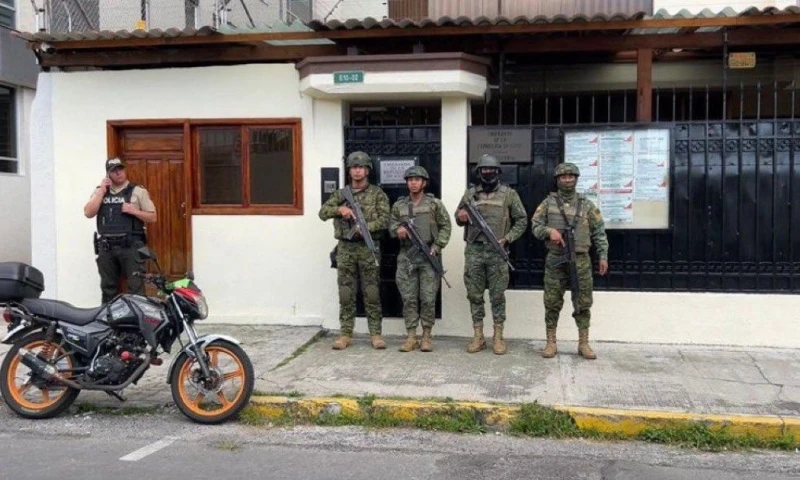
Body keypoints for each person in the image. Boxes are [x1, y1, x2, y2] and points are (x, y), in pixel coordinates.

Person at [530, 162, 609, 360]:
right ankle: (550, 342)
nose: (567, 180)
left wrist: (603, 256)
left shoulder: (587, 204)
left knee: (583, 302)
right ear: (557, 180)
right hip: (556, 259)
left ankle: (583, 343)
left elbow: (599, 231)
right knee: (552, 301)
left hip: (581, 260)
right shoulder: (548, 203)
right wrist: (550, 231)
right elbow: (535, 226)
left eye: (571, 176)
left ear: (576, 179)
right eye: (563, 177)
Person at [454, 154, 527, 355]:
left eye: (492, 170)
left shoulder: (509, 194)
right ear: (478, 173)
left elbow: (521, 220)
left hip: (498, 251)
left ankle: (498, 336)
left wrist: (508, 238)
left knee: (497, 296)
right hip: (474, 251)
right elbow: (459, 216)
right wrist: (460, 216)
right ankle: (478, 336)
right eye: (484, 170)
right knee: (475, 295)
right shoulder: (470, 194)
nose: (488, 173)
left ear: (498, 172)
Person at [319, 151, 390, 350]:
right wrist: (339, 210)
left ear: (367, 170)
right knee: (346, 292)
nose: (357, 171)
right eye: (354, 167)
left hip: (369, 248)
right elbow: (322, 212)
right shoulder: (341, 195)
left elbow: (385, 220)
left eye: (361, 167)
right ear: (349, 171)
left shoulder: (377, 194)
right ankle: (345, 334)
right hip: (346, 248)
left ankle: (375, 334)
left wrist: (365, 227)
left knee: (372, 292)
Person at [389, 166, 452, 352]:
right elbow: (391, 225)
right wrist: (397, 230)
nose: (413, 183)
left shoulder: (434, 204)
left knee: (428, 298)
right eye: (410, 180)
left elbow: (445, 226)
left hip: (428, 256)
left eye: (417, 179)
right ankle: (411, 336)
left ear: (424, 183)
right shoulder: (400, 205)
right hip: (407, 257)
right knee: (408, 298)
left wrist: (437, 246)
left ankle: (426, 335)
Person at [83, 157, 157, 304]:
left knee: (136, 288)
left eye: (120, 169)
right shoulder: (100, 192)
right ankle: (109, 323)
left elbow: (152, 217)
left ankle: (137, 324)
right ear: (108, 174)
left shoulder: (138, 191)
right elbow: (88, 213)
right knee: (108, 288)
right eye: (114, 171)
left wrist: (134, 211)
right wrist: (101, 191)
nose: (118, 173)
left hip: (131, 246)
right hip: (107, 247)